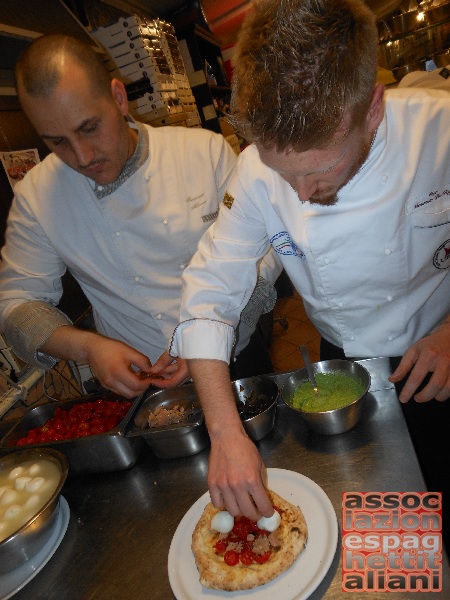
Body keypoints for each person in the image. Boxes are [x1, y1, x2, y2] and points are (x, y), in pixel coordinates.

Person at [170, 0, 450, 541]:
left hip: (435, 347)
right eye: (283, 174)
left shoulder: (440, 133)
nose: (300, 196)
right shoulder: (254, 172)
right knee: (378, 519)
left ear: (372, 109)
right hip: (343, 360)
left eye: (320, 170)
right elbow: (210, 291)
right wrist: (226, 433)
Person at [0, 34, 281, 400]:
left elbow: (266, 249)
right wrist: (88, 349)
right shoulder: (36, 196)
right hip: (141, 385)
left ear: (119, 98)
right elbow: (15, 302)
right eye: (57, 142)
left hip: (235, 359)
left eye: (89, 128)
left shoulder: (202, 153)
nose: (83, 156)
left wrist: (210, 332)